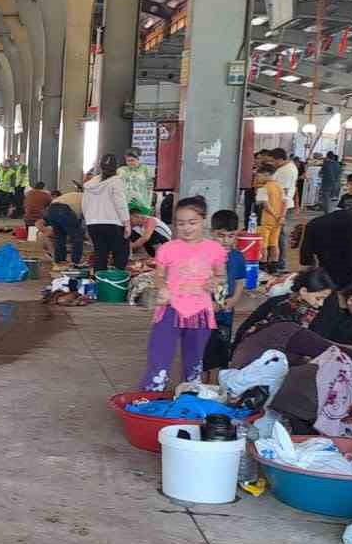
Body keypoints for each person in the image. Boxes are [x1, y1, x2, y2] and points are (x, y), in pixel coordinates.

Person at [140, 196, 226, 391]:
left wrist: (215, 281)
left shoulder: (215, 249)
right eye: (181, 224)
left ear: (203, 220)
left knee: (194, 364)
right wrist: (162, 288)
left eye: (192, 223)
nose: (186, 228)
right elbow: (159, 276)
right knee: (159, 359)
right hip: (170, 309)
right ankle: (151, 398)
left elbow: (221, 275)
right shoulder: (167, 249)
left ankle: (188, 401)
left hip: (200, 313)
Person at [202, 210, 250, 377]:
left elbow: (240, 280)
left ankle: (217, 381)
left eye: (231, 236)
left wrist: (235, 298)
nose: (226, 240)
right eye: (221, 235)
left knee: (222, 344)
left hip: (226, 311)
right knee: (202, 346)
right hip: (203, 311)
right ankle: (200, 380)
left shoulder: (237, 257)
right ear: (212, 233)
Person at [299, 192, 352, 288]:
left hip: (326, 273)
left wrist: (306, 266)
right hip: (349, 274)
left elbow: (306, 251)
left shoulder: (315, 223)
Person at [83, 154, 130, 272]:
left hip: (93, 224)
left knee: (100, 255)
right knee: (121, 252)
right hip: (113, 223)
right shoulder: (116, 181)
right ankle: (116, 279)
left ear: (100, 166)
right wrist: (127, 223)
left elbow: (84, 205)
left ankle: (101, 283)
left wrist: (89, 222)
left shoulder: (89, 185)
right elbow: (120, 203)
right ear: (117, 167)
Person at [39, 188, 85, 269]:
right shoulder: (89, 199)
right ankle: (75, 262)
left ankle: (60, 261)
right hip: (64, 209)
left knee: (60, 237)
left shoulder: (77, 196)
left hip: (52, 209)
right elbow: (85, 221)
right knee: (77, 237)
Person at [253, 162, 287, 272]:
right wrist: (281, 216)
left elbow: (265, 205)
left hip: (266, 220)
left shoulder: (264, 188)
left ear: (266, 174)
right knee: (274, 244)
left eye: (259, 176)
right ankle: (274, 267)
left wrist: (275, 215)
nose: (257, 178)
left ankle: (262, 266)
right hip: (278, 222)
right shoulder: (280, 187)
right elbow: (285, 203)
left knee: (263, 245)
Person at [117, 149, 155, 215]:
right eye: (128, 161)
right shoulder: (121, 170)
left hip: (143, 204)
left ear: (138, 159)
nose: (130, 163)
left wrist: (149, 203)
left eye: (132, 160)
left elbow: (150, 188)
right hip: (127, 203)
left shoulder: (146, 169)